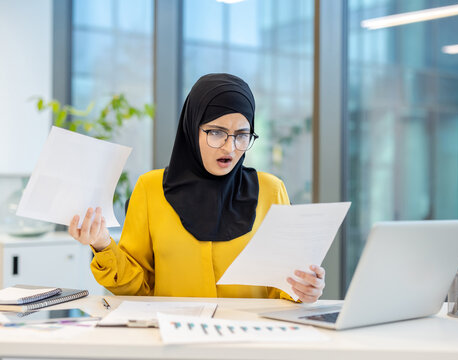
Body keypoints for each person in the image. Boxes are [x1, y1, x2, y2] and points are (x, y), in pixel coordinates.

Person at [69, 73, 325, 303]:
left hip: (248, 343)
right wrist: (102, 244)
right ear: (192, 129)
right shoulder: (150, 189)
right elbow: (139, 288)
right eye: (216, 132)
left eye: (242, 135)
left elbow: (283, 288)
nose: (230, 147)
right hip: (173, 342)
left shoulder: (271, 190)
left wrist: (303, 289)